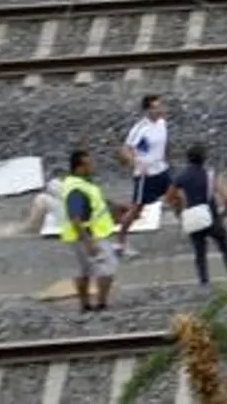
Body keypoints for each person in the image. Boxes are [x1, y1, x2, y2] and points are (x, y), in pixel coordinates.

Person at [165, 143, 227, 287]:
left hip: (194, 217)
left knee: (200, 253)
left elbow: (169, 197)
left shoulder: (181, 177)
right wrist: (225, 212)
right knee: (226, 249)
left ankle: (204, 283)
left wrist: (179, 209)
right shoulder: (211, 175)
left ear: (188, 159)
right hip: (212, 215)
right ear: (204, 158)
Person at [60, 149, 122, 312]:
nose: (92, 167)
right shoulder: (76, 190)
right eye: (88, 164)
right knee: (108, 268)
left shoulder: (80, 184)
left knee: (83, 270)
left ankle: (85, 305)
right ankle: (101, 303)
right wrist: (88, 241)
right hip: (90, 236)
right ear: (79, 167)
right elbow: (75, 217)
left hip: (79, 236)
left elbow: (97, 202)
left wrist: (116, 207)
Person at [116, 94, 170, 258]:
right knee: (136, 210)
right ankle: (121, 243)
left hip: (161, 170)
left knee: (178, 197)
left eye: (160, 106)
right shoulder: (140, 129)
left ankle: (191, 226)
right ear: (147, 110)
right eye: (155, 107)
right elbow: (125, 150)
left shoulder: (162, 123)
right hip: (146, 176)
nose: (159, 110)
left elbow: (162, 145)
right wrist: (136, 164)